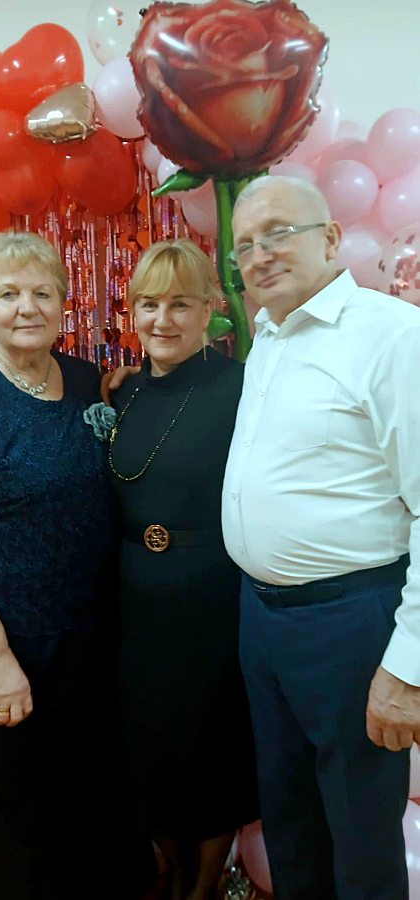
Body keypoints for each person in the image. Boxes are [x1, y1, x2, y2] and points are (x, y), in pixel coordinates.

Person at [0, 230, 155, 899]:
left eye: (42, 292)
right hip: (4, 648)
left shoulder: (83, 381)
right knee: (8, 822)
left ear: (62, 300)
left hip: (90, 642)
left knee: (86, 810)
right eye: (9, 293)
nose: (28, 307)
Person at [222, 174, 420, 899]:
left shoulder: (394, 337)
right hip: (263, 619)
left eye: (278, 233)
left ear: (331, 238)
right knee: (290, 821)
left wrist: (408, 666)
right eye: (245, 245)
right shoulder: (269, 337)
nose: (261, 254)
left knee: (361, 837)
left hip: (350, 624)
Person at [87, 238, 259, 900]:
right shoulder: (122, 392)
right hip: (135, 600)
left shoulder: (240, 387)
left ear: (210, 309)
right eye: (149, 304)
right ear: (132, 310)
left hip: (210, 595)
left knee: (209, 745)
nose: (163, 320)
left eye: (180, 304)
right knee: (149, 745)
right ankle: (176, 871)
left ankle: (205, 885)